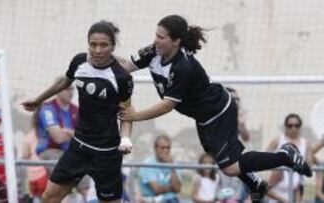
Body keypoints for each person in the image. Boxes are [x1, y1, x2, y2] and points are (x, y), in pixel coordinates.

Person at [118, 14, 312, 202]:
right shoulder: (152, 52)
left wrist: (135, 116)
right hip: (204, 117)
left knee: (229, 167)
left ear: (176, 41)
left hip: (218, 111)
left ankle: (284, 155)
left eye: (161, 37)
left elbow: (167, 105)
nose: (156, 41)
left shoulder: (183, 67)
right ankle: (256, 184)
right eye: (156, 35)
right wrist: (98, 64)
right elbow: (124, 68)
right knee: (229, 159)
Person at [22, 20, 134, 203]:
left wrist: (126, 138)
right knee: (49, 197)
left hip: (106, 152)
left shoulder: (122, 77)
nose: (98, 50)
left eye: (104, 45)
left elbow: (127, 112)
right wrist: (38, 100)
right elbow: (64, 81)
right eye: (93, 44)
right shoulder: (80, 61)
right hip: (79, 147)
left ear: (113, 46)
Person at [266, 113, 312, 203]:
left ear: (300, 127)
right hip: (276, 185)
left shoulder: (306, 143)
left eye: (296, 125)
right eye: (290, 125)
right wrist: (278, 167)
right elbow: (265, 156)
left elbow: (309, 163)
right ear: (285, 126)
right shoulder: (278, 139)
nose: (293, 128)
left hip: (294, 186)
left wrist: (299, 164)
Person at [139, 135, 182, 203]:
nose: (166, 150)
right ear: (155, 148)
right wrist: (172, 187)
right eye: (162, 148)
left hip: (172, 199)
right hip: (153, 200)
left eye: (168, 148)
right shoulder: (148, 163)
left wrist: (172, 167)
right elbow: (157, 190)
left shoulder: (174, 163)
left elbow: (177, 189)